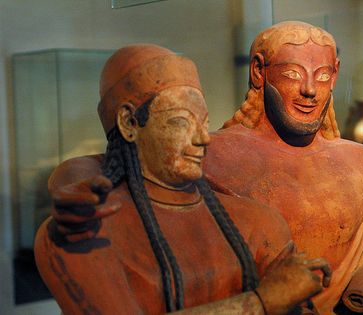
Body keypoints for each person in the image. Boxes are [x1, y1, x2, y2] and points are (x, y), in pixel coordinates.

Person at [45, 23, 363, 314]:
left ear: (335, 76)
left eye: (322, 75)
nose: (309, 90)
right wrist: (73, 182)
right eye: (294, 74)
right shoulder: (214, 154)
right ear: (260, 72)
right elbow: (118, 163)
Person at [34, 44, 332, 315]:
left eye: (204, 122)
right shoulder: (84, 232)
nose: (203, 139)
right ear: (129, 123)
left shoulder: (256, 222)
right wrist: (262, 302)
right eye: (180, 122)